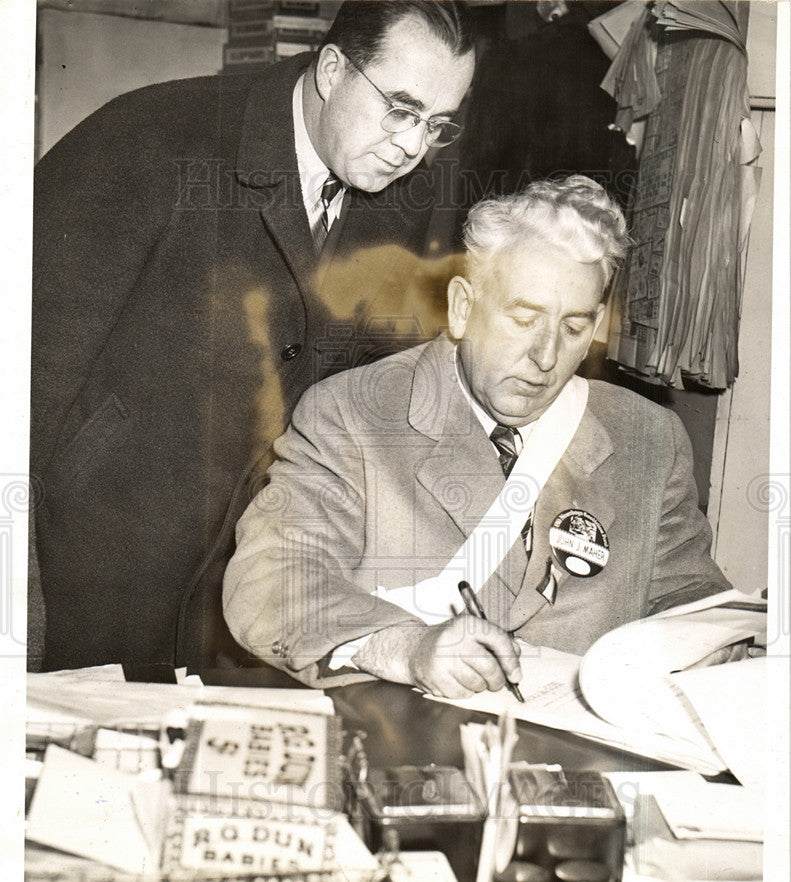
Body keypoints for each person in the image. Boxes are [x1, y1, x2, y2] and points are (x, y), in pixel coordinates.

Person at [30, 1, 476, 671]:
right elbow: (27, 371)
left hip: (251, 577)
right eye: (401, 110)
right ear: (331, 70)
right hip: (95, 559)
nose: (412, 146)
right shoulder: (148, 137)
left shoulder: (403, 194)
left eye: (437, 124)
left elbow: (369, 386)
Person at [223, 175, 730, 698]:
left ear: (598, 323)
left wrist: (725, 643)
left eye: (574, 327)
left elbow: (690, 599)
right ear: (463, 306)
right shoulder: (353, 414)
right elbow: (271, 579)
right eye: (523, 319)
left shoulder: (649, 438)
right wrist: (405, 648)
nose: (546, 357)